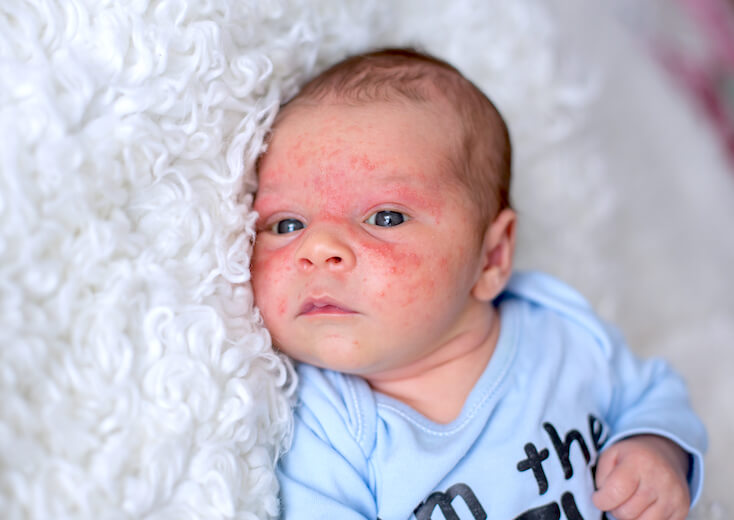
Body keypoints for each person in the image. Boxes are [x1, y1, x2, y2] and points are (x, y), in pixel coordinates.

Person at [250, 48, 707, 520]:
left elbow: (653, 394)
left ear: (491, 257)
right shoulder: (324, 426)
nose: (318, 247)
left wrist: (657, 449)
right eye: (286, 225)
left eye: (385, 217)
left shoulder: (560, 334)